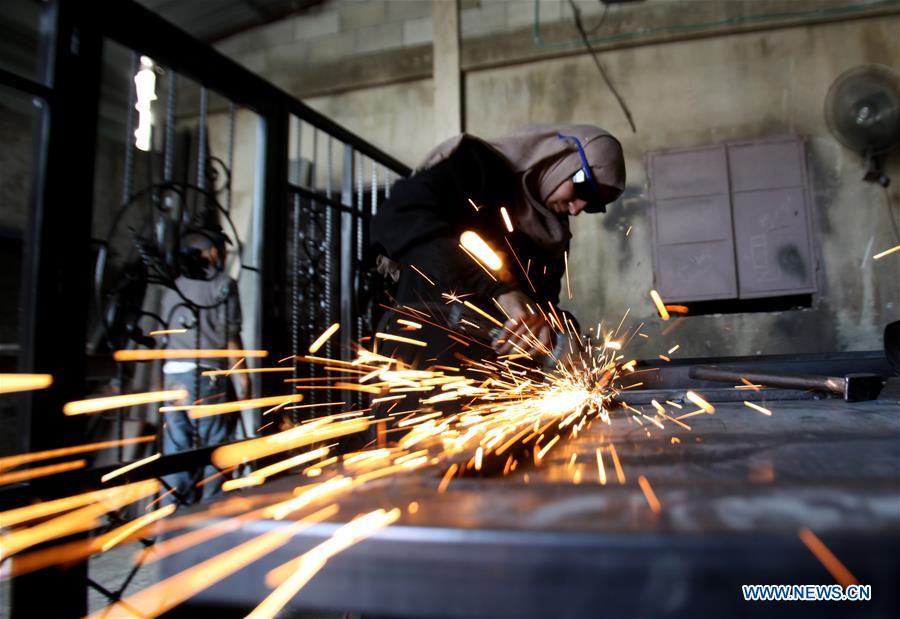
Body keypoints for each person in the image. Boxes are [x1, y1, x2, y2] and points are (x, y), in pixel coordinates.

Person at [370, 124, 625, 367]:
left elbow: (539, 305)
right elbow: (400, 217)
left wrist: (562, 329)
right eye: (585, 188)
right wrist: (501, 290)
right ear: (565, 158)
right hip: (424, 361)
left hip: (495, 386)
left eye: (593, 204)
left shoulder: (552, 238)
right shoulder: (475, 166)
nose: (578, 207)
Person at [158, 226, 249, 505]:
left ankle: (170, 522)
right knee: (215, 448)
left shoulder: (173, 287)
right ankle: (212, 518)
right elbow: (230, 337)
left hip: (172, 375)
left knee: (176, 451)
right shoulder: (223, 285)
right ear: (210, 251)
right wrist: (243, 382)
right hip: (206, 375)